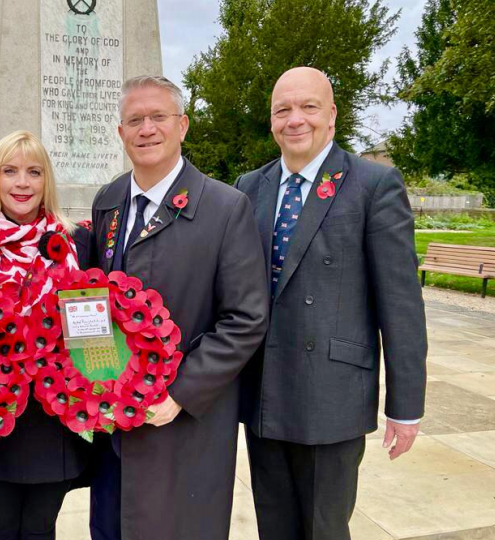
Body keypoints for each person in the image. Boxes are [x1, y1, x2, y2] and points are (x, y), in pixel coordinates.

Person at [234, 67, 428, 540]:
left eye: (308, 107)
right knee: (274, 527)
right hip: (264, 395)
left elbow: (400, 303)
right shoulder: (248, 187)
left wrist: (405, 406)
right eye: (283, 109)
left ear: (332, 116)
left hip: (332, 395)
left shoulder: (373, 185)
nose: (295, 119)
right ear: (271, 120)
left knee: (323, 528)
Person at [88, 75, 269, 540]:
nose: (146, 129)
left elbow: (245, 319)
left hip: (184, 424)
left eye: (158, 117)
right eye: (134, 120)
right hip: (116, 424)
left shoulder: (226, 207)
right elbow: (94, 303)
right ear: (121, 132)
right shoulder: (108, 201)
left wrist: (180, 393)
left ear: (183, 125)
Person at [0, 130, 91, 540]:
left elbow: (92, 327)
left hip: (53, 418)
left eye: (34, 172)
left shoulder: (78, 242)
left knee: (42, 527)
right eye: (9, 171)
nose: (22, 183)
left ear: (47, 180)